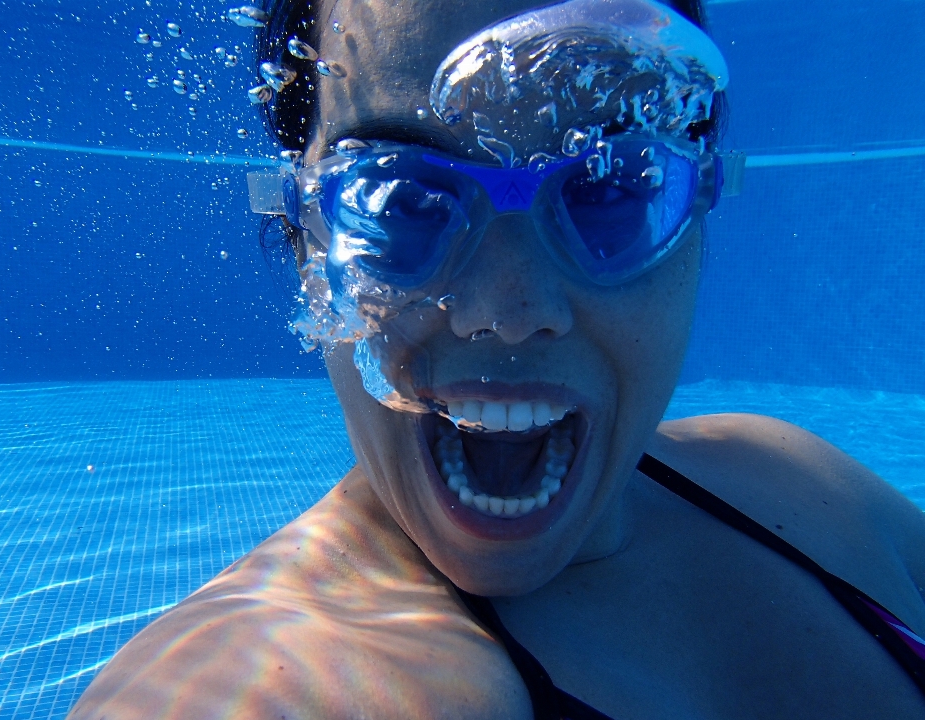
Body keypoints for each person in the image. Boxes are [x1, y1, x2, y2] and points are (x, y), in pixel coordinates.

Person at [68, 0, 925, 718]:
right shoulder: (272, 682)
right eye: (400, 200)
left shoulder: (791, 474)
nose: (509, 314)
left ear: (697, 208)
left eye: (610, 186)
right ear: (308, 243)